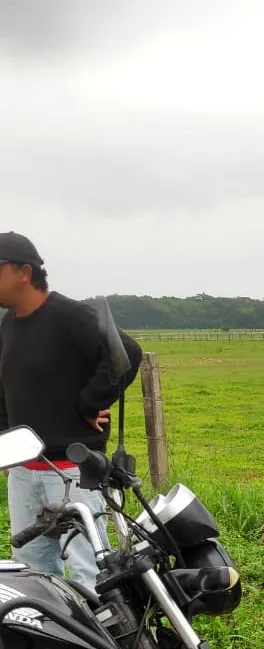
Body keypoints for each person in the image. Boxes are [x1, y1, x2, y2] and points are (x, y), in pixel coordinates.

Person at [0, 232, 142, 597]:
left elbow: (125, 352)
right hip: (24, 472)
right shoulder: (8, 325)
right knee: (33, 573)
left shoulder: (68, 315)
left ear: (23, 271)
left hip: (72, 471)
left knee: (89, 570)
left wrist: (90, 403)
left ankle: (107, 647)